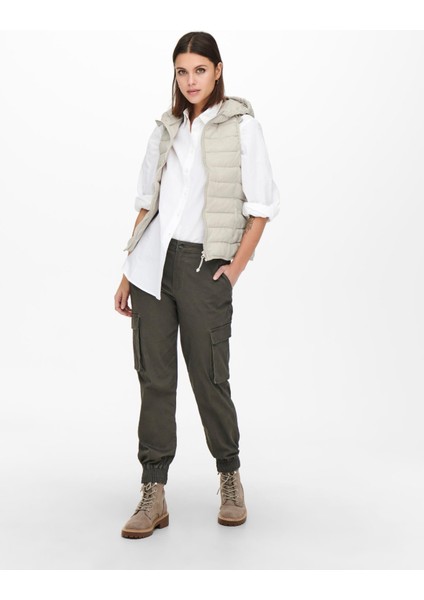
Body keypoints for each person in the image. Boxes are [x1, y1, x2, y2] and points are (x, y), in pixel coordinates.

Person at [114, 31, 280, 539]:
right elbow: (147, 204)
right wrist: (127, 272)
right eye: (182, 71)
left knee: (210, 377)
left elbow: (261, 207)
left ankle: (229, 477)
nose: (191, 81)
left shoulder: (243, 127)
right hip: (151, 266)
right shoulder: (166, 129)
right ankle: (153, 491)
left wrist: (235, 268)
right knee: (154, 379)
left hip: (204, 265)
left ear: (218, 70)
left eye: (200, 70)